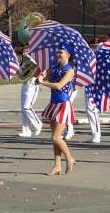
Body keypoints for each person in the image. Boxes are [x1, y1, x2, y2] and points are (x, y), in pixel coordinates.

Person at [38, 45, 77, 176]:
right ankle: (57, 165)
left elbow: (59, 85)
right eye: (58, 52)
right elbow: (44, 74)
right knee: (54, 137)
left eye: (61, 52)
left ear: (68, 55)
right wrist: (42, 75)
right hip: (53, 104)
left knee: (56, 137)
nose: (58, 54)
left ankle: (69, 158)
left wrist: (43, 82)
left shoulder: (70, 70)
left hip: (63, 105)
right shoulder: (54, 67)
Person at [14, 42, 43, 138]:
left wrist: (38, 77)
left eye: (16, 47)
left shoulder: (29, 57)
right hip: (25, 83)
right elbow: (21, 72)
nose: (14, 48)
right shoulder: (20, 57)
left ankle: (38, 124)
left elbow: (39, 67)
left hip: (32, 83)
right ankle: (26, 130)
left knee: (27, 107)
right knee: (23, 108)